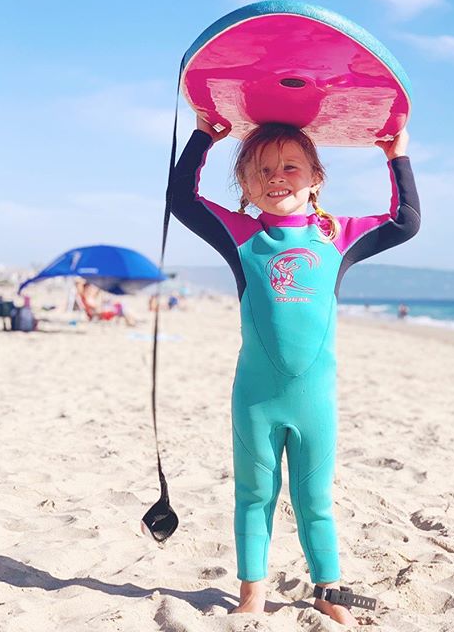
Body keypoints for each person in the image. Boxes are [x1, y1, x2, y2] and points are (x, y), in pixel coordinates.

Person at [170, 116, 420, 625]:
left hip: (315, 401)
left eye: (289, 165)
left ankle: (329, 589)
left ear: (316, 178)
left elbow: (406, 220)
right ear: (243, 183)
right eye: (260, 169)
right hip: (256, 400)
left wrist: (396, 156)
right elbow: (182, 200)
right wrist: (204, 137)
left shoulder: (339, 236)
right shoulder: (241, 233)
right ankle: (252, 591)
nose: (275, 175)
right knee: (255, 494)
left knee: (315, 498)